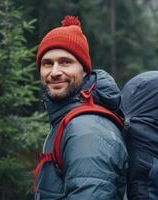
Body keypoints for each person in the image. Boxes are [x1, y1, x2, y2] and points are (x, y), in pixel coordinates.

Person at [34, 16, 128, 200]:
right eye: (47, 63)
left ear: (84, 70)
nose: (54, 72)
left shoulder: (86, 129)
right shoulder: (67, 119)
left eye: (65, 62)